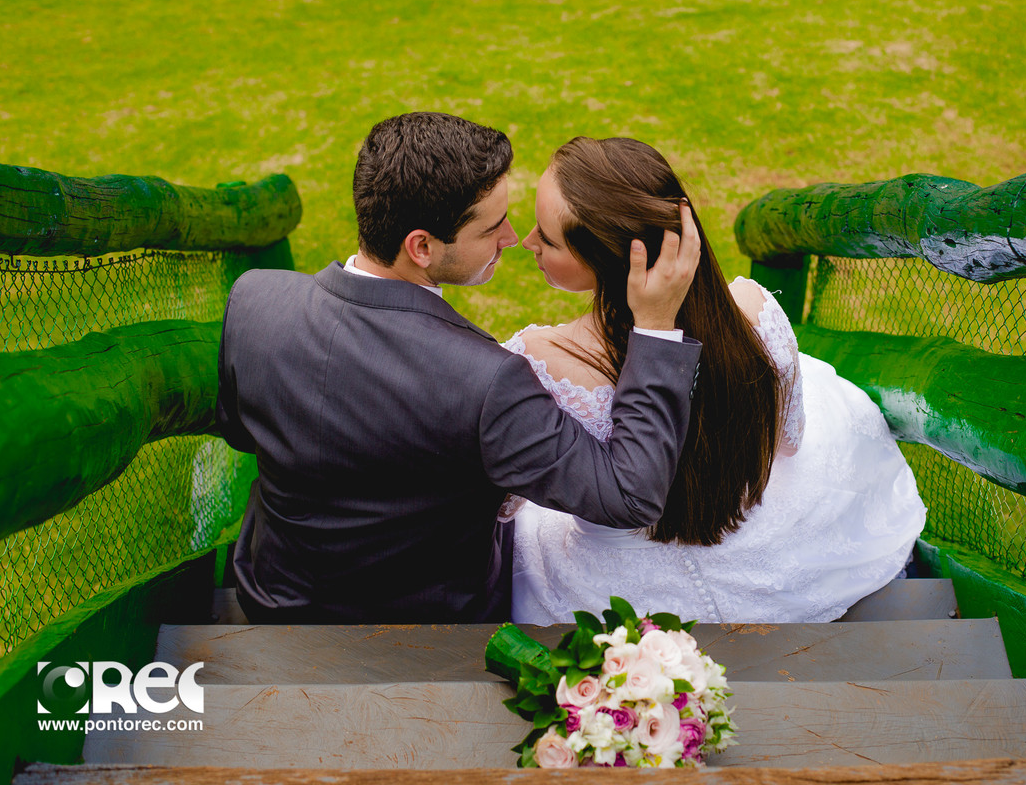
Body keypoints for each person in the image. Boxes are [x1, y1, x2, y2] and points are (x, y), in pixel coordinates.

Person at [215, 113, 703, 624]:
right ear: (421, 246)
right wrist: (653, 327)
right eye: (493, 227)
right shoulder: (486, 380)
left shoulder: (254, 300)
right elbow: (628, 494)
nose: (512, 238)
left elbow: (241, 430)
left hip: (269, 597)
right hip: (424, 632)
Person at [505, 137, 928, 624]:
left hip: (617, 589)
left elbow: (504, 503)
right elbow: (788, 441)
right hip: (760, 549)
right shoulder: (755, 313)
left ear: (604, 259)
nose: (528, 240)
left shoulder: (540, 362)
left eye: (549, 238)